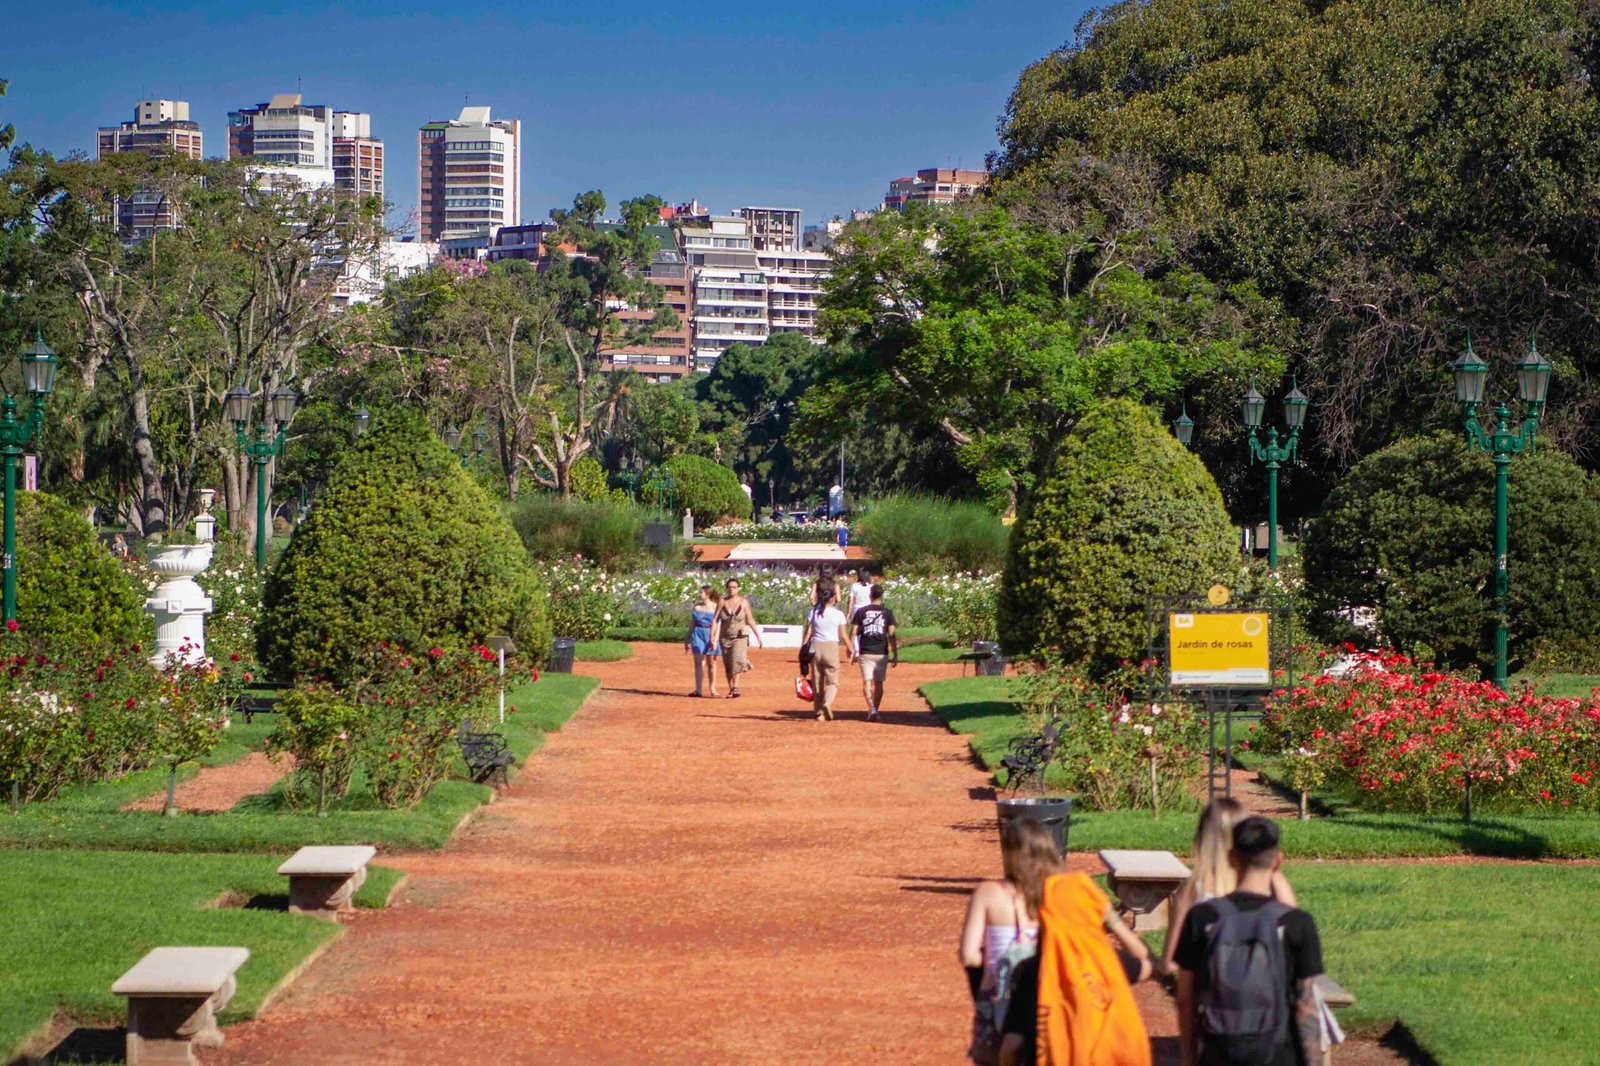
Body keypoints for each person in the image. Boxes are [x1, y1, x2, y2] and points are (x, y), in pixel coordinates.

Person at [1175, 816, 1326, 1066]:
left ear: (1231, 858)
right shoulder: (1296, 923)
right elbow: (1306, 1007)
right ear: (1278, 861)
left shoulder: (1201, 918)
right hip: (1278, 1053)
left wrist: (1191, 1058)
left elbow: (1185, 999)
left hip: (1218, 1053)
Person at [998, 873, 1152, 1066]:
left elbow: (1012, 1044)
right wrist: (1111, 920)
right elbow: (1143, 959)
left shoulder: (1030, 970)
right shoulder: (1108, 962)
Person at [960, 817, 1062, 1065]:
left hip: (997, 998)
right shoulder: (1057, 893)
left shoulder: (989, 893)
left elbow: (968, 955)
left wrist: (994, 957)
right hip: (1045, 998)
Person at [1159, 798, 1297, 977]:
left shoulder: (1194, 887)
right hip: (1266, 985)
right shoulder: (1272, 881)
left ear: (1201, 836)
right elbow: (1294, 933)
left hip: (1213, 991)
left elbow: (1169, 963)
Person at [847, 583, 898, 721]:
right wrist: (895, 654)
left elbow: (853, 632)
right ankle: (874, 709)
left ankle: (872, 708)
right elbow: (892, 634)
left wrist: (851, 649)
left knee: (867, 681)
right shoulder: (887, 612)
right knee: (879, 683)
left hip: (866, 651)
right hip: (881, 651)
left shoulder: (861, 612)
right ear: (881, 596)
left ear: (870, 596)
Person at [800, 585, 850, 721]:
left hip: (815, 647)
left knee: (817, 681)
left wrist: (803, 647)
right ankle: (827, 703)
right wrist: (851, 649)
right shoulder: (838, 614)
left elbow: (808, 632)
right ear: (833, 598)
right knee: (832, 681)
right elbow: (844, 635)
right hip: (831, 647)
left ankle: (819, 713)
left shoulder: (813, 612)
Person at [717, 578, 763, 698]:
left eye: (734, 587)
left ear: (738, 588)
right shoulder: (722, 601)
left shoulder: (744, 602)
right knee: (728, 664)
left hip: (740, 637)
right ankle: (731, 688)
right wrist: (713, 636)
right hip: (725, 637)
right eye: (730, 587)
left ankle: (736, 686)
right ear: (726, 588)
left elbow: (750, 619)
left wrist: (758, 636)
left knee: (736, 658)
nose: (732, 589)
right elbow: (715, 620)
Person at [684, 585, 722, 698]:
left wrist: (715, 639)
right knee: (698, 662)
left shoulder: (716, 607)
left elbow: (719, 624)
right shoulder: (697, 607)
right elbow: (693, 624)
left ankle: (713, 689)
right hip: (698, 634)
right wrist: (687, 638)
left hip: (711, 634)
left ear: (707, 594)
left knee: (712, 663)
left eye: (701, 593)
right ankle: (698, 690)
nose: (700, 595)